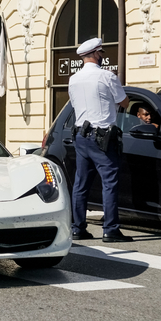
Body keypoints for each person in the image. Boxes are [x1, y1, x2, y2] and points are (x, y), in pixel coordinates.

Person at [68, 38, 132, 243]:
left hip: (80, 135)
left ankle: (78, 228)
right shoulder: (107, 76)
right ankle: (111, 229)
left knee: (81, 183)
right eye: (101, 53)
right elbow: (124, 101)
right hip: (102, 137)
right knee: (110, 182)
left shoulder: (73, 79)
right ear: (96, 54)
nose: (102, 57)